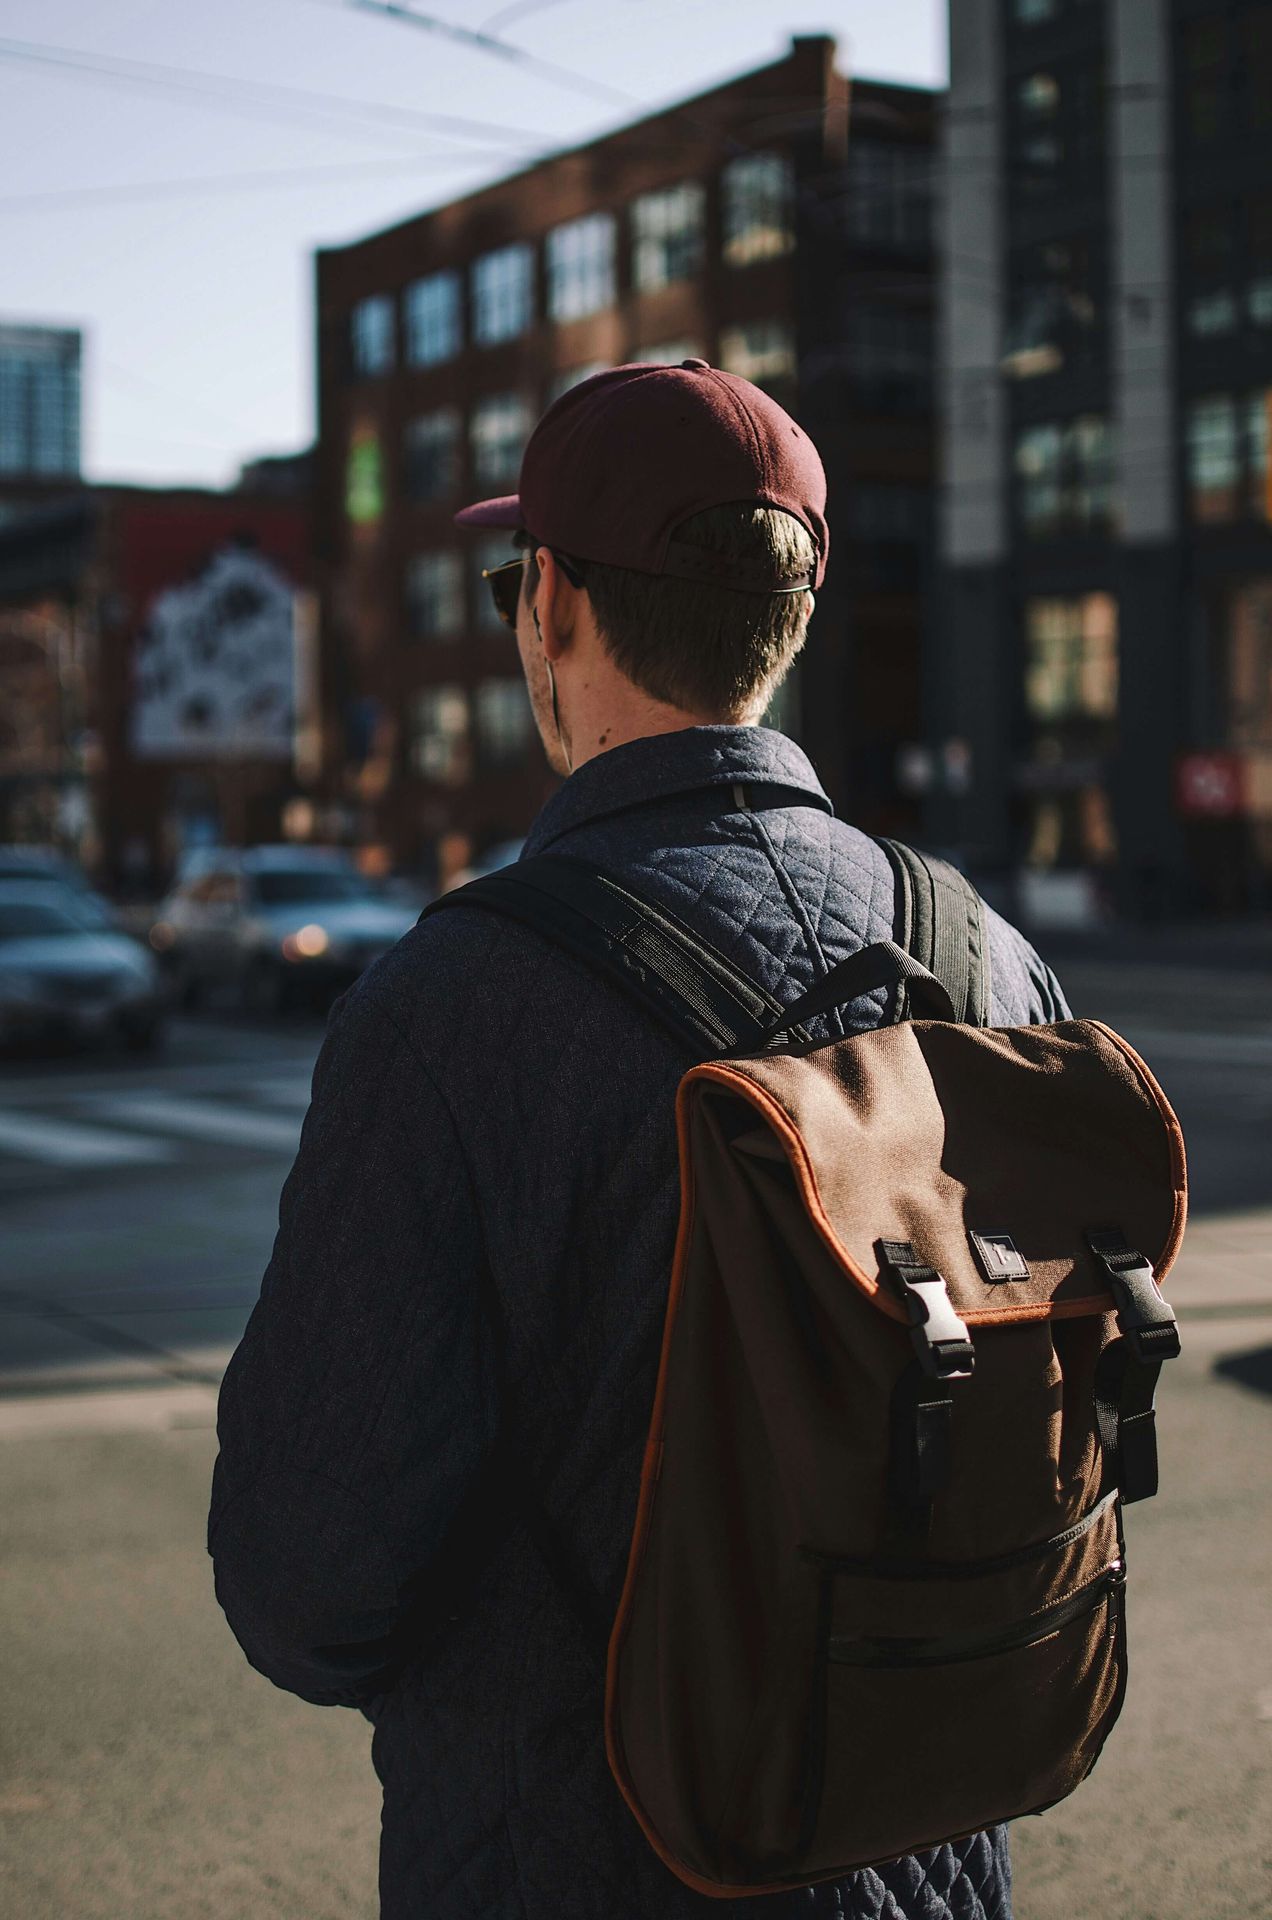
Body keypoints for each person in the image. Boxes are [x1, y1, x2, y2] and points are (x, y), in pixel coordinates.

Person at [209, 361, 1066, 1920]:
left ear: (549, 601)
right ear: (789, 620)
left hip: (579, 1854)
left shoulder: (455, 1004)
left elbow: (307, 1574)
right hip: (935, 1840)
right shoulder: (986, 957)